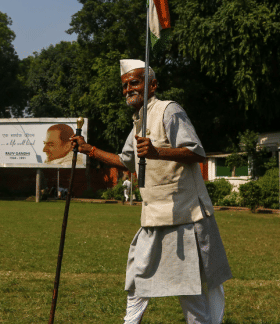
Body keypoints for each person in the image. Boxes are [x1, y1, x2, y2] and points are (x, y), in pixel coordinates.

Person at [71, 59, 232, 324]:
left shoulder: (169, 110)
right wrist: (89, 149)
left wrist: (159, 152)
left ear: (152, 85)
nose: (128, 90)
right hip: (154, 215)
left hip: (185, 215)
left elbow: (196, 152)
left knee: (190, 287)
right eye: (125, 86)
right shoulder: (139, 120)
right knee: (137, 276)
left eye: (134, 83)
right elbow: (127, 161)